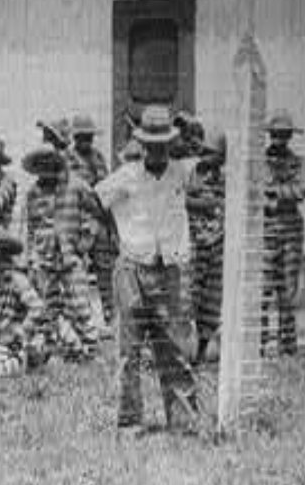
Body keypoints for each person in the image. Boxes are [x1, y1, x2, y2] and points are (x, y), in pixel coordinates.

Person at [95, 107, 202, 436]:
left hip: (169, 270)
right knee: (129, 349)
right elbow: (95, 199)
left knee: (175, 347)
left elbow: (207, 162)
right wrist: (118, 232)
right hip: (131, 269)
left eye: (162, 144)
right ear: (141, 144)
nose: (156, 150)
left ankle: (183, 421)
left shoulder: (182, 173)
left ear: (170, 144)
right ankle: (130, 421)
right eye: (150, 144)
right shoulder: (126, 175)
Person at [21, 146, 102, 362]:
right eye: (40, 167)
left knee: (80, 303)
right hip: (43, 257)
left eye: (48, 165)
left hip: (70, 255)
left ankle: (91, 349)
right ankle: (53, 348)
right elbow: (31, 228)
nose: (44, 172)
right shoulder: (33, 193)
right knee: (48, 306)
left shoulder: (76, 186)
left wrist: (86, 240)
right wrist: (30, 257)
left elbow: (96, 213)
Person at [260, 111, 305, 356]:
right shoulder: (258, 162)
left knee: (288, 290)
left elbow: (300, 191)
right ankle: (258, 342)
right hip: (264, 231)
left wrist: (273, 192)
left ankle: (287, 345)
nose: (279, 140)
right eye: (275, 135)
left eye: (284, 135)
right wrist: (277, 192)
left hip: (290, 231)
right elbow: (252, 190)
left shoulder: (299, 162)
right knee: (262, 288)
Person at [68, 113, 117, 317]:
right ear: (75, 138)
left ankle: (109, 312)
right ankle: (80, 316)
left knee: (105, 269)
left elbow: (106, 189)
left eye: (89, 137)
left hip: (99, 219)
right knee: (75, 272)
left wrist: (110, 224)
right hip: (79, 221)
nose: (86, 141)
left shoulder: (98, 158)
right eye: (82, 137)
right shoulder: (68, 159)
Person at [185, 129, 226, 365]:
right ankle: (181, 352)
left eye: (217, 155)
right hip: (194, 243)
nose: (212, 159)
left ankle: (200, 352)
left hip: (218, 244)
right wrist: (205, 204)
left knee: (211, 302)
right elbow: (178, 199)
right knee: (190, 298)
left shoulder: (226, 178)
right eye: (209, 153)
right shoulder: (190, 173)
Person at [0, 228, 45, 376]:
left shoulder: (17, 280)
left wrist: (20, 332)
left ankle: (25, 359)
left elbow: (37, 308)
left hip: (8, 342)